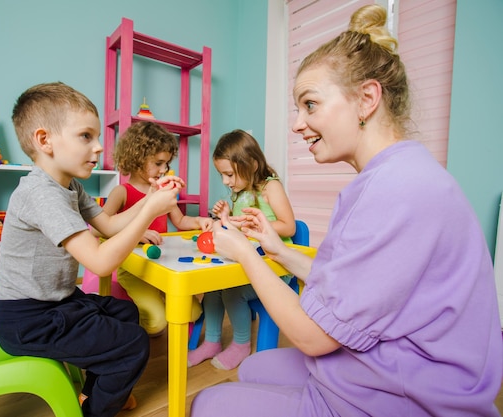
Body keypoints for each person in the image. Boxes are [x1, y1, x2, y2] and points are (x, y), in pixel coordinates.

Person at [190, 4, 503, 417]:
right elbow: (352, 285)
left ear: (366, 99)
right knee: (255, 366)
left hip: (405, 395)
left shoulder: (399, 188)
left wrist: (246, 253)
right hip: (383, 366)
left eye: (311, 105)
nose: (298, 124)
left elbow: (313, 336)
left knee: (207, 403)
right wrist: (277, 249)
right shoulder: (393, 176)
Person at [0, 82, 184, 417]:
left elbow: (108, 226)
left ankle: (94, 390)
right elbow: (100, 261)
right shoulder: (42, 194)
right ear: (44, 140)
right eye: (86, 136)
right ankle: (95, 409)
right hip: (28, 319)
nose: (98, 149)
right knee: (133, 344)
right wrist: (151, 212)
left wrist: (151, 200)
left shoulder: (70, 186)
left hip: (57, 302)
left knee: (124, 313)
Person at [187, 129, 295, 370]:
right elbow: (240, 232)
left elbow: (287, 226)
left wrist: (252, 226)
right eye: (222, 176)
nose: (226, 182)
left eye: (229, 174)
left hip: (275, 267)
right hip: (247, 263)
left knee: (232, 293)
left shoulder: (270, 187)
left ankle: (241, 344)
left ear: (252, 164)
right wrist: (225, 217)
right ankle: (213, 341)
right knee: (213, 288)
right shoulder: (239, 194)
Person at [93, 120, 213, 336]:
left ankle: (159, 299)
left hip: (162, 264)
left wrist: (199, 222)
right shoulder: (122, 192)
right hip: (134, 269)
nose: (164, 170)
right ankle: (127, 327)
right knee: (156, 324)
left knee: (193, 312)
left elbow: (180, 221)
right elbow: (100, 228)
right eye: (158, 163)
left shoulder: (163, 191)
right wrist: (138, 232)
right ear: (137, 158)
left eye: (166, 164)